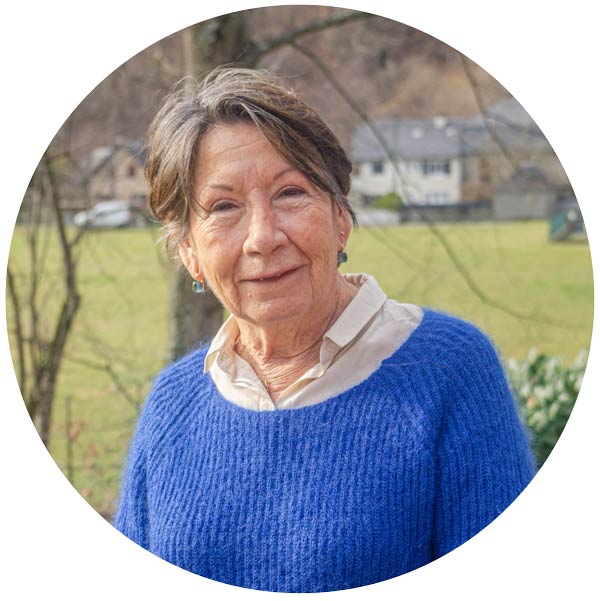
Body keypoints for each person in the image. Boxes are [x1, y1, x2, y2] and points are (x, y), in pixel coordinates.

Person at [113, 66, 535, 592]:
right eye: (223, 207)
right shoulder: (173, 402)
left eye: (290, 193)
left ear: (341, 219)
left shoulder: (449, 370)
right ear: (190, 253)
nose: (262, 237)